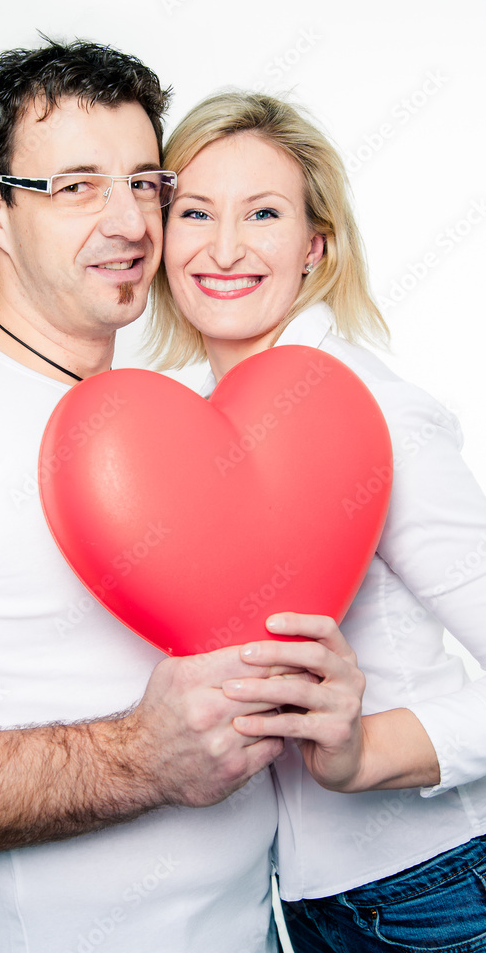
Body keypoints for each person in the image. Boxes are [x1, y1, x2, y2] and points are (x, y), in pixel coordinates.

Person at [0, 40, 366, 953]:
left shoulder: (180, 424)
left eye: (144, 184)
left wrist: (327, 701)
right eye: (75, 187)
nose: (128, 224)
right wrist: (135, 759)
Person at [146, 88, 486, 952]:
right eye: (195, 212)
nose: (224, 247)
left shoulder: (374, 412)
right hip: (303, 907)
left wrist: (365, 750)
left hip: (436, 889)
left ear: (315, 246)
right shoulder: (183, 431)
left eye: (263, 213)